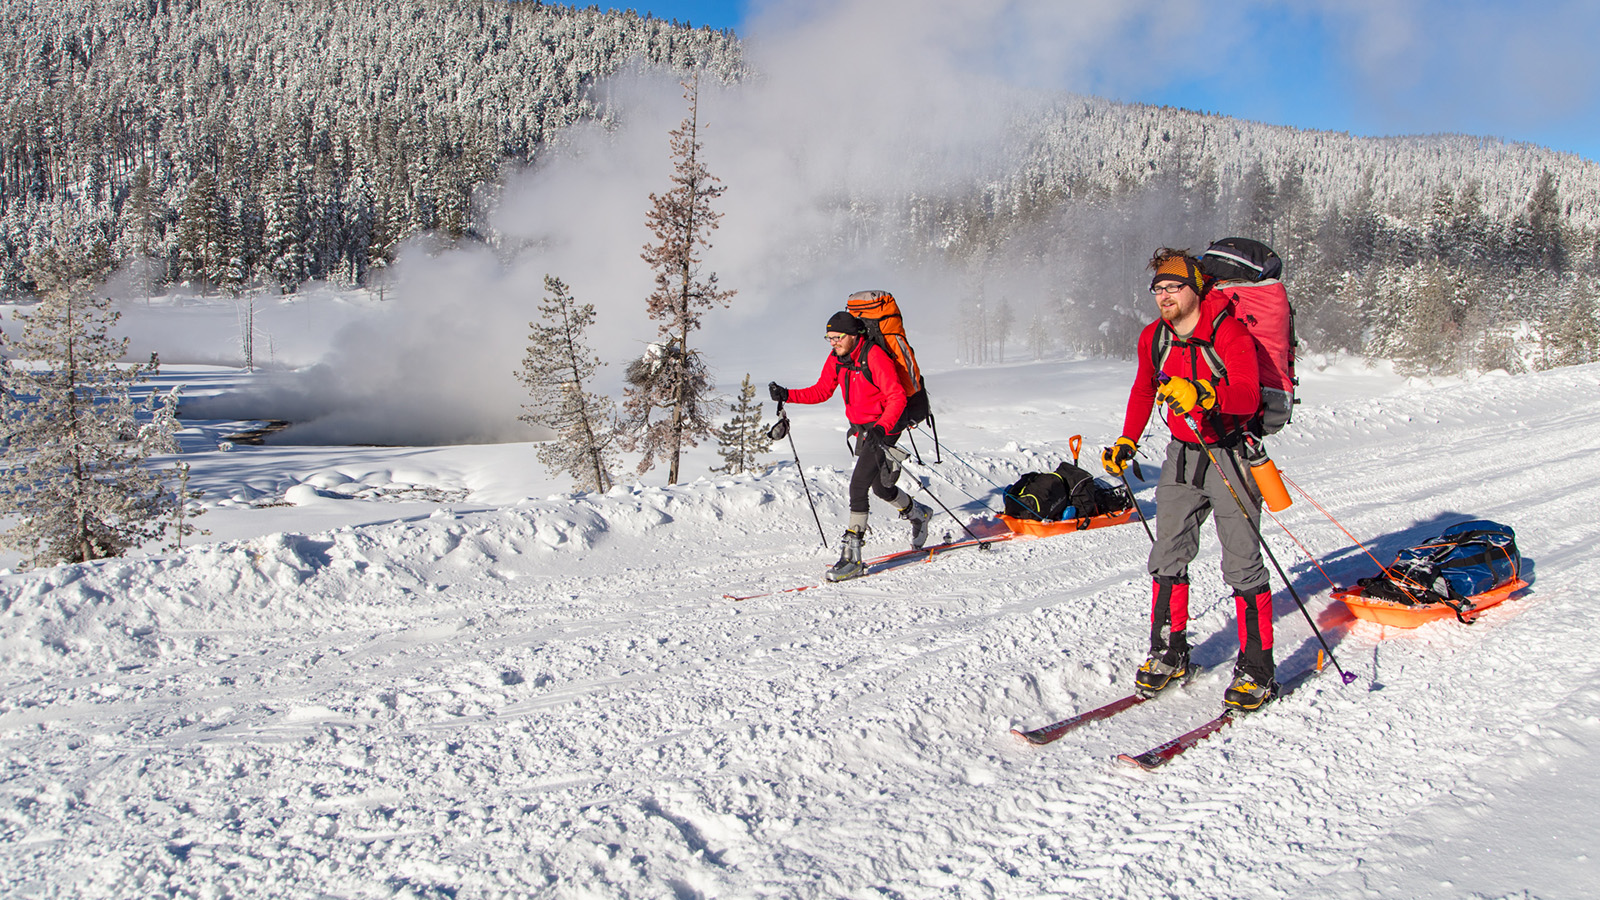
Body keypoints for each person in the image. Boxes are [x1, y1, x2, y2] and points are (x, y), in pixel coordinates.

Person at [1101, 249, 1277, 711]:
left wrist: (1203, 392)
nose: (1163, 296)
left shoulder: (1229, 332)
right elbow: (1143, 389)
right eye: (1157, 289)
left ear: (1195, 288)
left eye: (1172, 287)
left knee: (1241, 564)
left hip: (1230, 454)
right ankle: (1169, 652)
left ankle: (1257, 670)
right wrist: (1127, 440)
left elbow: (1245, 394)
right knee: (1167, 556)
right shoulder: (1154, 337)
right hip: (1181, 456)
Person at [769, 310, 932, 581]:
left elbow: (897, 397)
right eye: (829, 338)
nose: (832, 343)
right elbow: (821, 390)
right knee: (880, 486)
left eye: (837, 337)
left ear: (853, 335)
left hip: (885, 428)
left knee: (858, 485)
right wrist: (788, 395)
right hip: (865, 430)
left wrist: (882, 428)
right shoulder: (837, 359)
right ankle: (919, 513)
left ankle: (852, 556)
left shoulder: (875, 357)